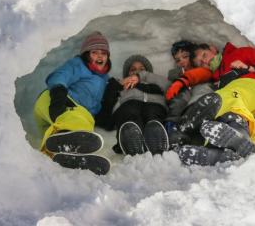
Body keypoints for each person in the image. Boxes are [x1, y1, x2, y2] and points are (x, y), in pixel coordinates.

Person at [166, 42, 255, 166]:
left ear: (213, 48)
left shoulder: (240, 53)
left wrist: (251, 68)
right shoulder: (215, 75)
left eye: (204, 56)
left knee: (217, 100)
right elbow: (196, 75)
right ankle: (220, 151)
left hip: (251, 85)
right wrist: (181, 80)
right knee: (225, 118)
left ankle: (184, 130)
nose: (205, 62)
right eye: (201, 63)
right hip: (240, 104)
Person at [32, 32, 111, 172]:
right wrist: (58, 97)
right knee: (81, 123)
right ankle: (65, 148)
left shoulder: (104, 79)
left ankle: (54, 157)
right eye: (95, 52)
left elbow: (96, 104)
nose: (100, 56)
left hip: (54, 120)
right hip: (56, 100)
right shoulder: (79, 65)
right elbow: (60, 75)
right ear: (87, 54)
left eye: (103, 53)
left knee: (72, 129)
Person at [97, 55, 170, 155]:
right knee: (129, 114)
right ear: (127, 73)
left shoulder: (156, 81)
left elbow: (170, 86)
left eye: (142, 69)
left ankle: (156, 138)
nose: (137, 72)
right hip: (129, 104)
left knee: (153, 115)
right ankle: (131, 138)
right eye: (133, 69)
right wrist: (118, 84)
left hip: (155, 103)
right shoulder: (121, 84)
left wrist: (144, 77)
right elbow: (108, 103)